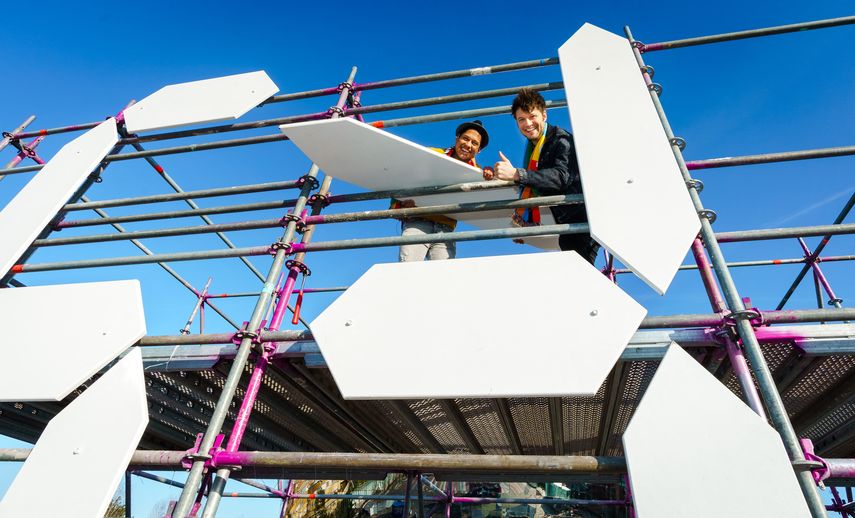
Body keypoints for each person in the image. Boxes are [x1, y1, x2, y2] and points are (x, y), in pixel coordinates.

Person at [483, 88, 599, 263]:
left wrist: (517, 174)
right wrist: (523, 225)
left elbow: (561, 177)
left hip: (581, 221)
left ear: (544, 115)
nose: (528, 123)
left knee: (580, 274)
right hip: (564, 223)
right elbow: (536, 186)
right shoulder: (533, 148)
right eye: (521, 119)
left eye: (532, 116)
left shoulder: (561, 139)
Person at [393, 120, 489, 262]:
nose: (468, 145)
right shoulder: (433, 153)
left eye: (474, 143)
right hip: (418, 221)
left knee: (442, 273)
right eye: (465, 138)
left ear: (478, 150)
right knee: (408, 267)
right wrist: (397, 205)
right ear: (457, 138)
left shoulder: (478, 173)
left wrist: (489, 176)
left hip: (446, 228)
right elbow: (404, 175)